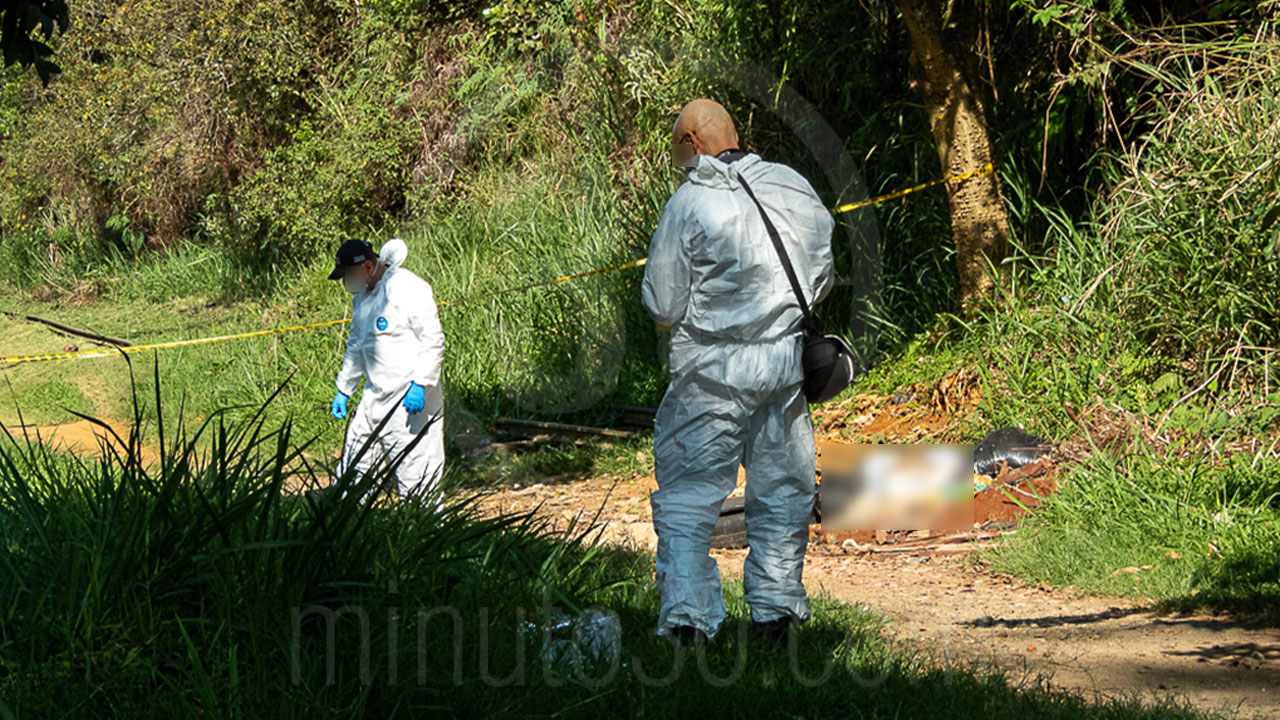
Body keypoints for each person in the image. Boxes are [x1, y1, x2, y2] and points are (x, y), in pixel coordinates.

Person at [641, 98, 835, 648]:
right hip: (782, 366)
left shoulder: (690, 202)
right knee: (781, 492)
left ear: (693, 145)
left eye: (678, 151)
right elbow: (821, 267)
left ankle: (688, 625)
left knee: (688, 497)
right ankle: (777, 620)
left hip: (711, 372)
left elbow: (661, 300)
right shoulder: (791, 184)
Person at [328, 237, 447, 503]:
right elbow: (356, 346)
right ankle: (348, 526)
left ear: (368, 267)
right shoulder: (362, 298)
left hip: (410, 401)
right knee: (354, 467)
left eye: (349, 275)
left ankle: (427, 535)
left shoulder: (408, 288)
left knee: (417, 474)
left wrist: (421, 383)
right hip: (374, 398)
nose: (348, 282)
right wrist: (344, 390)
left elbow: (433, 339)